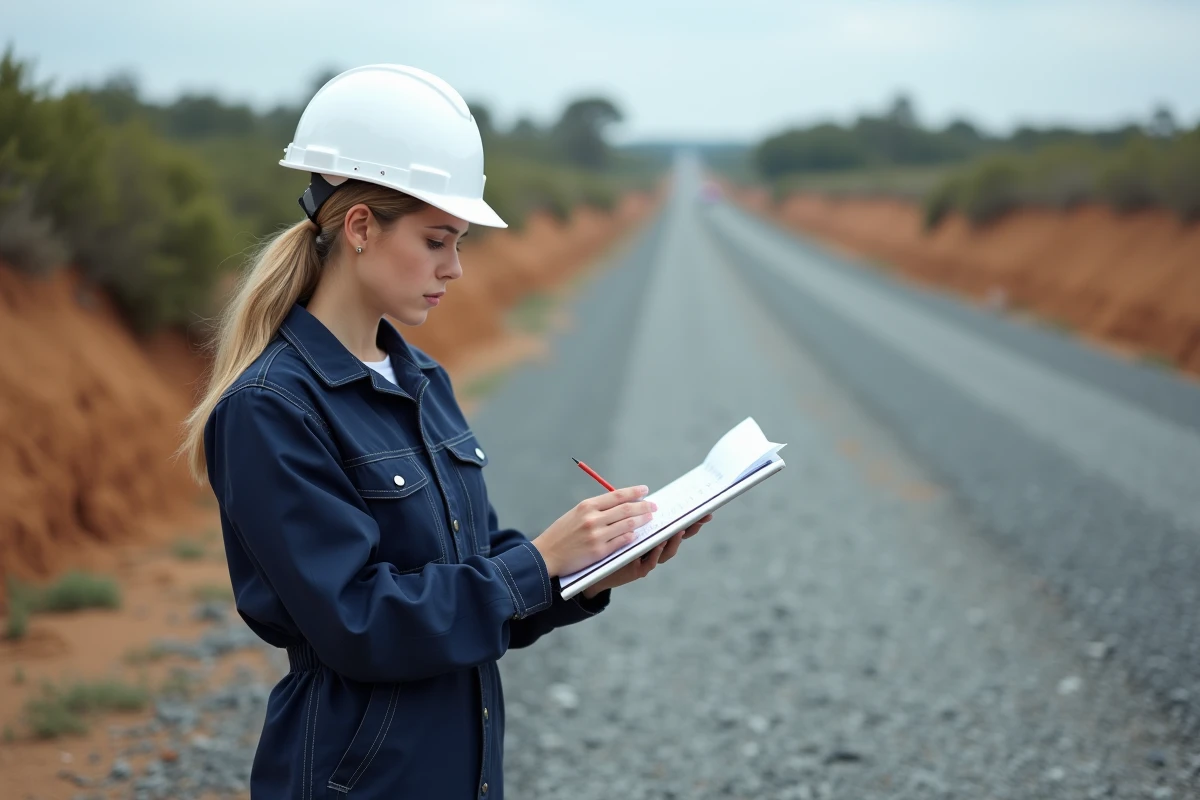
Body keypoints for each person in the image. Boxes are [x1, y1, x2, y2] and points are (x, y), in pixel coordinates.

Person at [178, 64, 711, 799]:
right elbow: (357, 623)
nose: (455, 268)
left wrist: (585, 573)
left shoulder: (421, 377)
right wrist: (539, 562)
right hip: (358, 782)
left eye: (457, 242)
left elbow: (474, 573)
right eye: (436, 240)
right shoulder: (271, 406)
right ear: (360, 228)